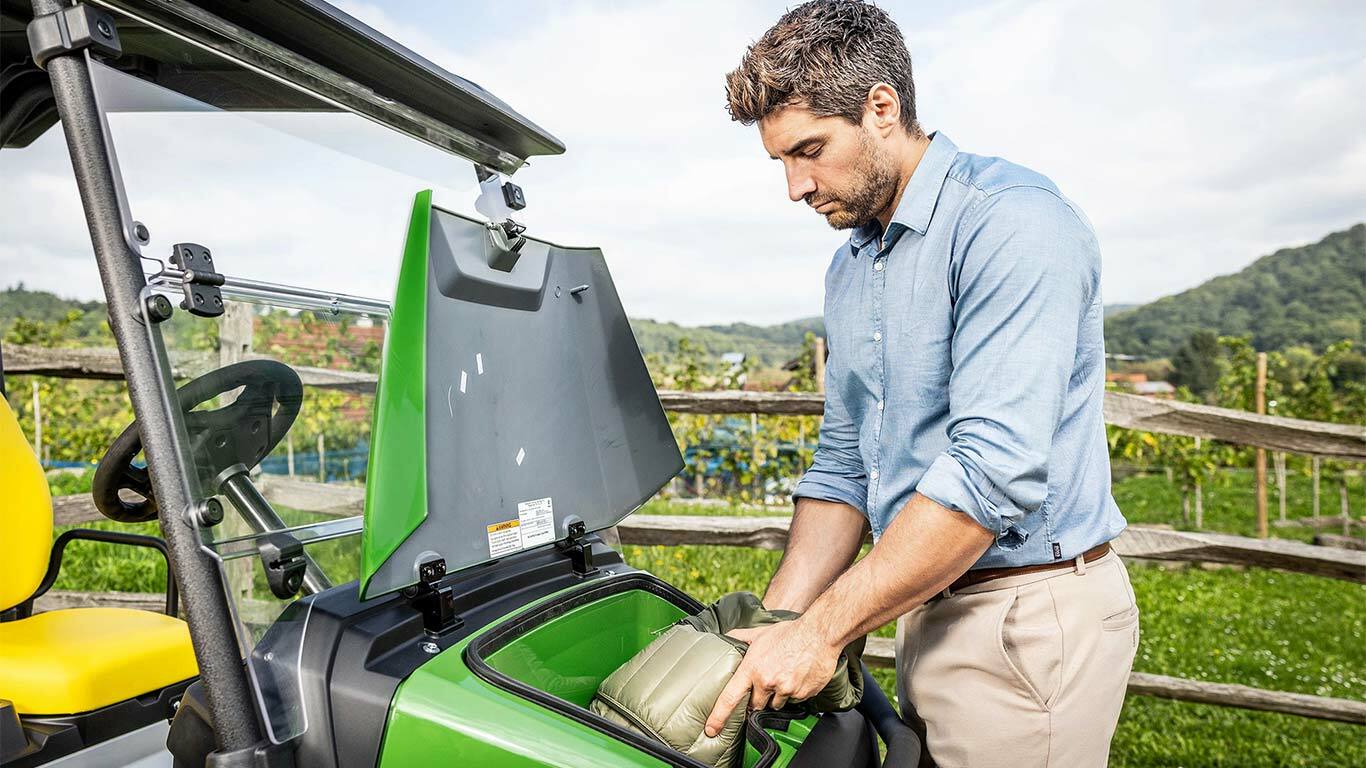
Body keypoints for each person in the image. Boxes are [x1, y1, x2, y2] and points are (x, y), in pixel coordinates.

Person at [704, 2, 1139, 765]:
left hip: (1022, 616)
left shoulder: (1011, 223)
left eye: (809, 150)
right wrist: (783, 621)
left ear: (881, 107)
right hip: (918, 598)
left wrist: (822, 631)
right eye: (779, 161)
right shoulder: (851, 265)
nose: (795, 187)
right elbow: (844, 464)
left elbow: (991, 472)